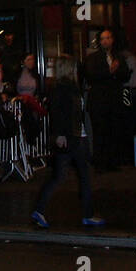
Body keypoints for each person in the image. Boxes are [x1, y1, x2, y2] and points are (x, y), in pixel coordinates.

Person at [30, 56, 105, 228]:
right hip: (74, 136)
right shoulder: (66, 88)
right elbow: (60, 113)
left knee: (61, 176)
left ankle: (40, 209)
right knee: (82, 175)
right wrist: (60, 134)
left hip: (72, 135)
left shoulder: (62, 87)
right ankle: (87, 214)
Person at [84, 28, 130, 171]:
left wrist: (117, 71)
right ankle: (100, 163)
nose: (106, 41)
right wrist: (109, 71)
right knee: (100, 132)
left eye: (108, 38)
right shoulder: (93, 58)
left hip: (114, 100)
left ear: (113, 39)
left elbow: (126, 75)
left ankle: (113, 162)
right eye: (103, 38)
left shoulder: (119, 57)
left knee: (114, 131)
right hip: (99, 101)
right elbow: (91, 76)